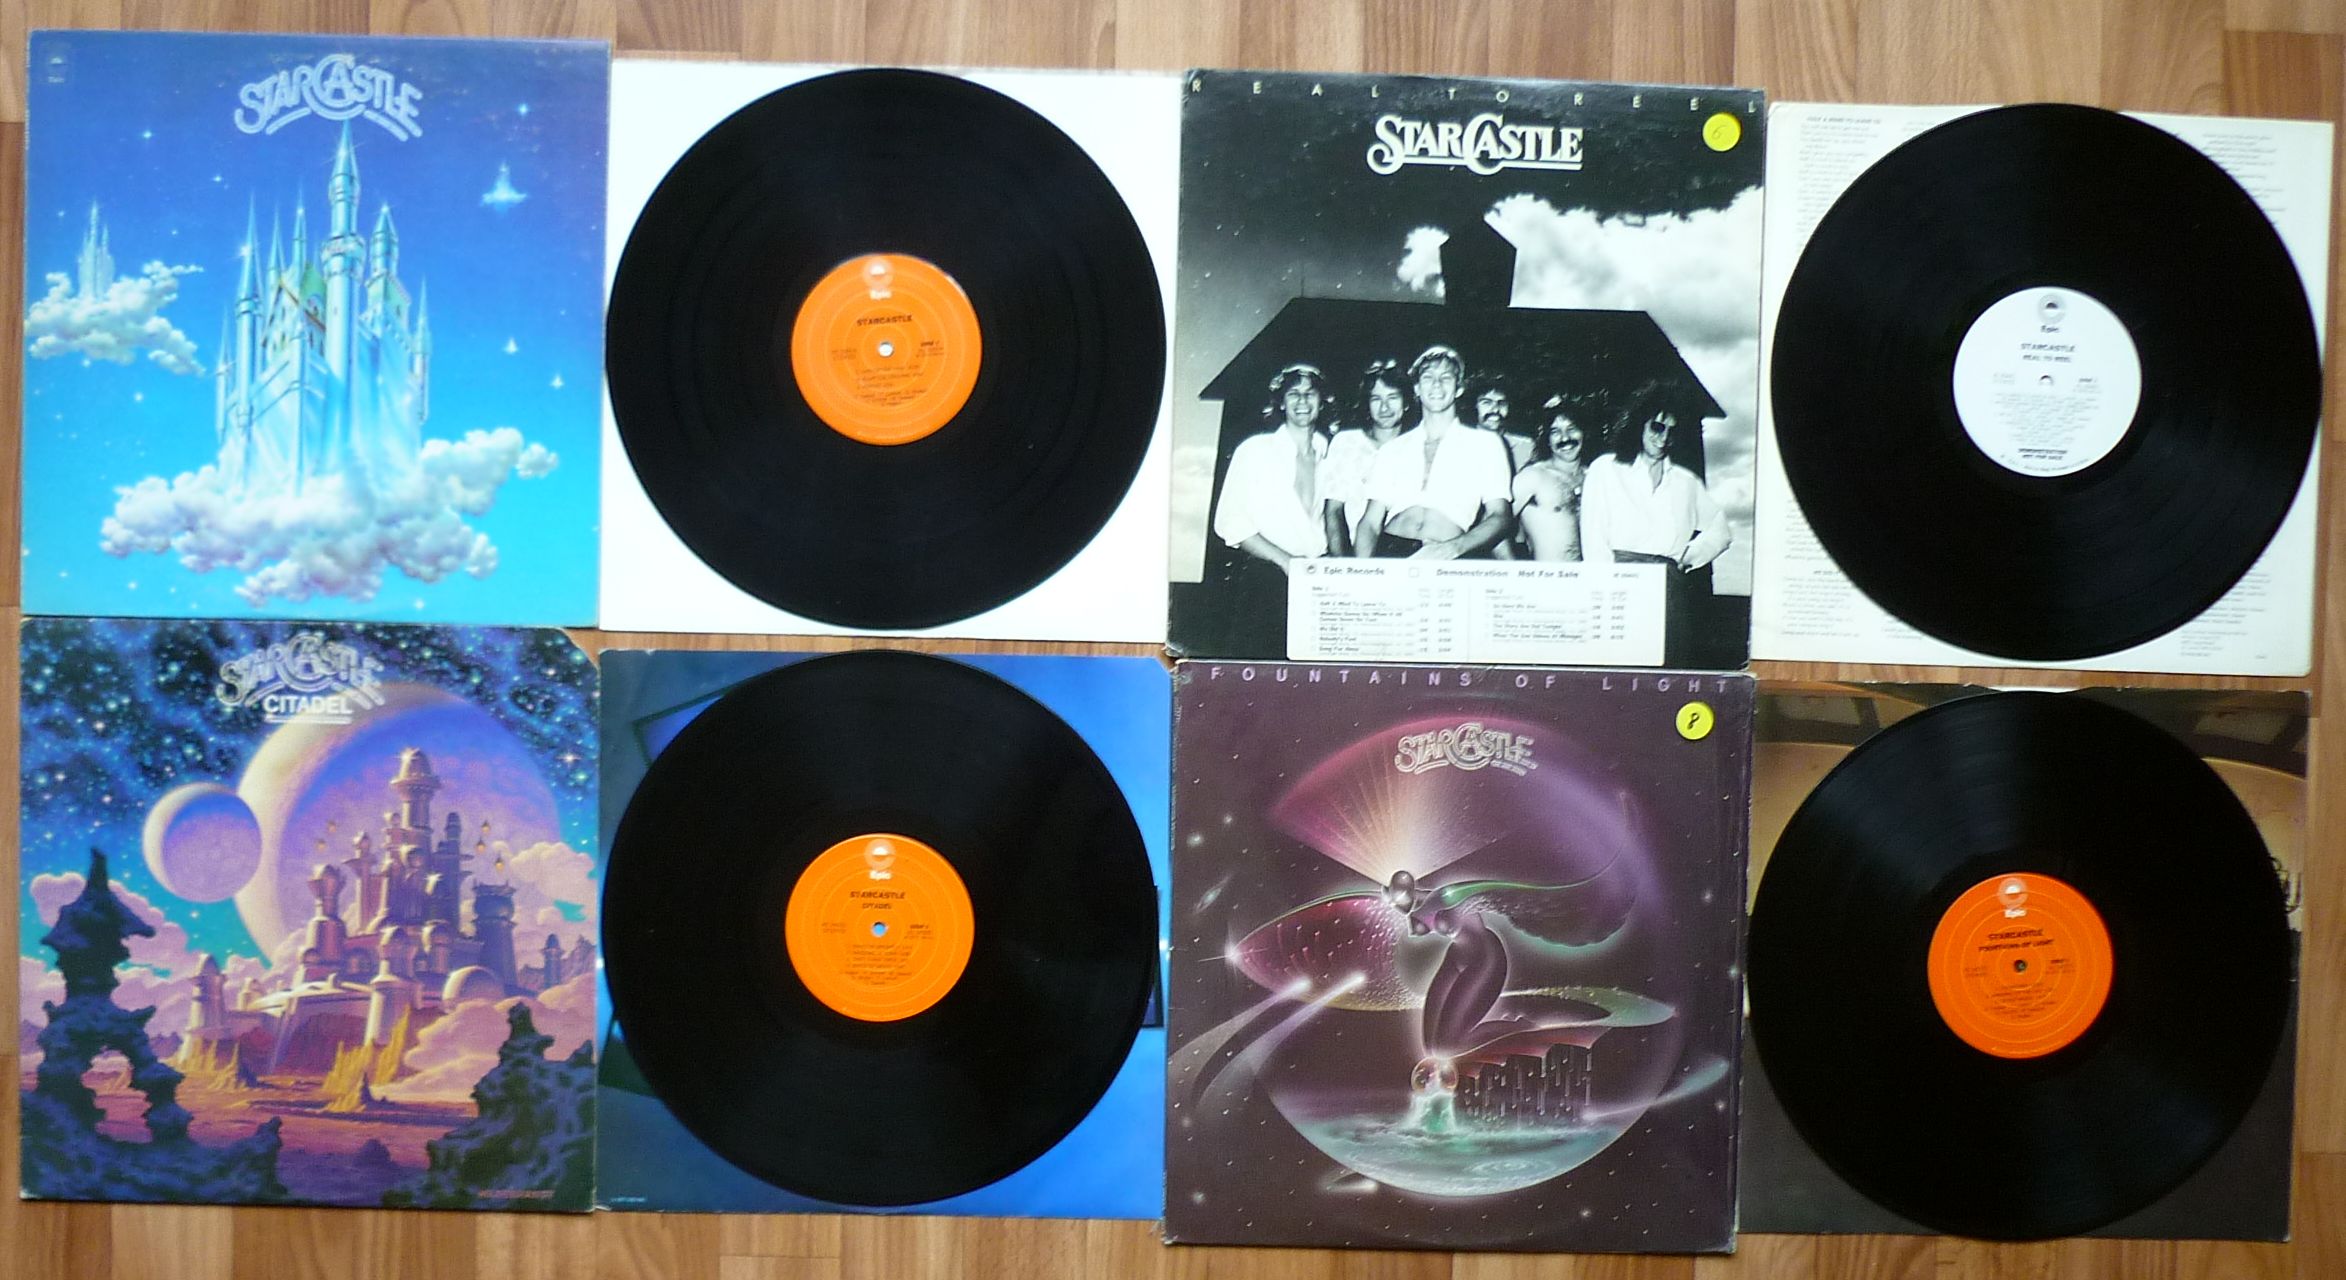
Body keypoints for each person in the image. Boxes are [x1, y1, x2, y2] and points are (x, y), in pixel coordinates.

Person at [1579, 392, 1732, 643]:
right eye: (1657, 427)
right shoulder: (1606, 468)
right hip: (1619, 586)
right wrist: (1606, 592)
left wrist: (1686, 559)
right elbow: (1593, 539)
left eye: (1672, 431)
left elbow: (1721, 532)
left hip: (1670, 590)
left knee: (1670, 657)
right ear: (1639, 424)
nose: (1663, 438)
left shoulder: (1686, 482)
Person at [1355, 346, 1514, 559]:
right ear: (1417, 389)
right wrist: (1361, 571)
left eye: (1445, 378)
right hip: (1391, 550)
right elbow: (1371, 522)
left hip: (1449, 551)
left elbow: (1500, 516)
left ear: (1459, 388)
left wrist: (1454, 548)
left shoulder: (1486, 444)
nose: (1436, 384)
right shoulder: (1393, 448)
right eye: (1428, 377)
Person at [1213, 364, 1333, 575]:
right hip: (1265, 573)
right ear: (1282, 403)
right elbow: (1230, 521)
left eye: (1310, 393)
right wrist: (1285, 561)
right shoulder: (1255, 450)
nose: (1302, 401)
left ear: (1321, 402)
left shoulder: (1330, 454)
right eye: (1293, 394)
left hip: (1316, 573)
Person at [1320, 360, 1413, 556]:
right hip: (1353, 554)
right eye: (1376, 399)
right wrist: (1345, 565)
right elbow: (1333, 511)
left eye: (1393, 397)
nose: (1384, 407)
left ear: (1406, 403)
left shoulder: (1416, 446)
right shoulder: (1346, 442)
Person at [1510, 395, 1589, 561]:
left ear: (1584, 432)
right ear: (1546, 439)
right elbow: (1493, 527)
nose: (1565, 438)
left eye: (1572, 429)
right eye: (1555, 432)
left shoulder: (1595, 476)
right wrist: (1513, 569)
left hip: (1591, 575)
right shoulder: (1533, 477)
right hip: (1549, 575)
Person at [1474, 379, 1537, 471]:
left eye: (1502, 403)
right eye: (1487, 403)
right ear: (1474, 406)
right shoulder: (1460, 443)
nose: (1495, 410)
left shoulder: (1525, 447)